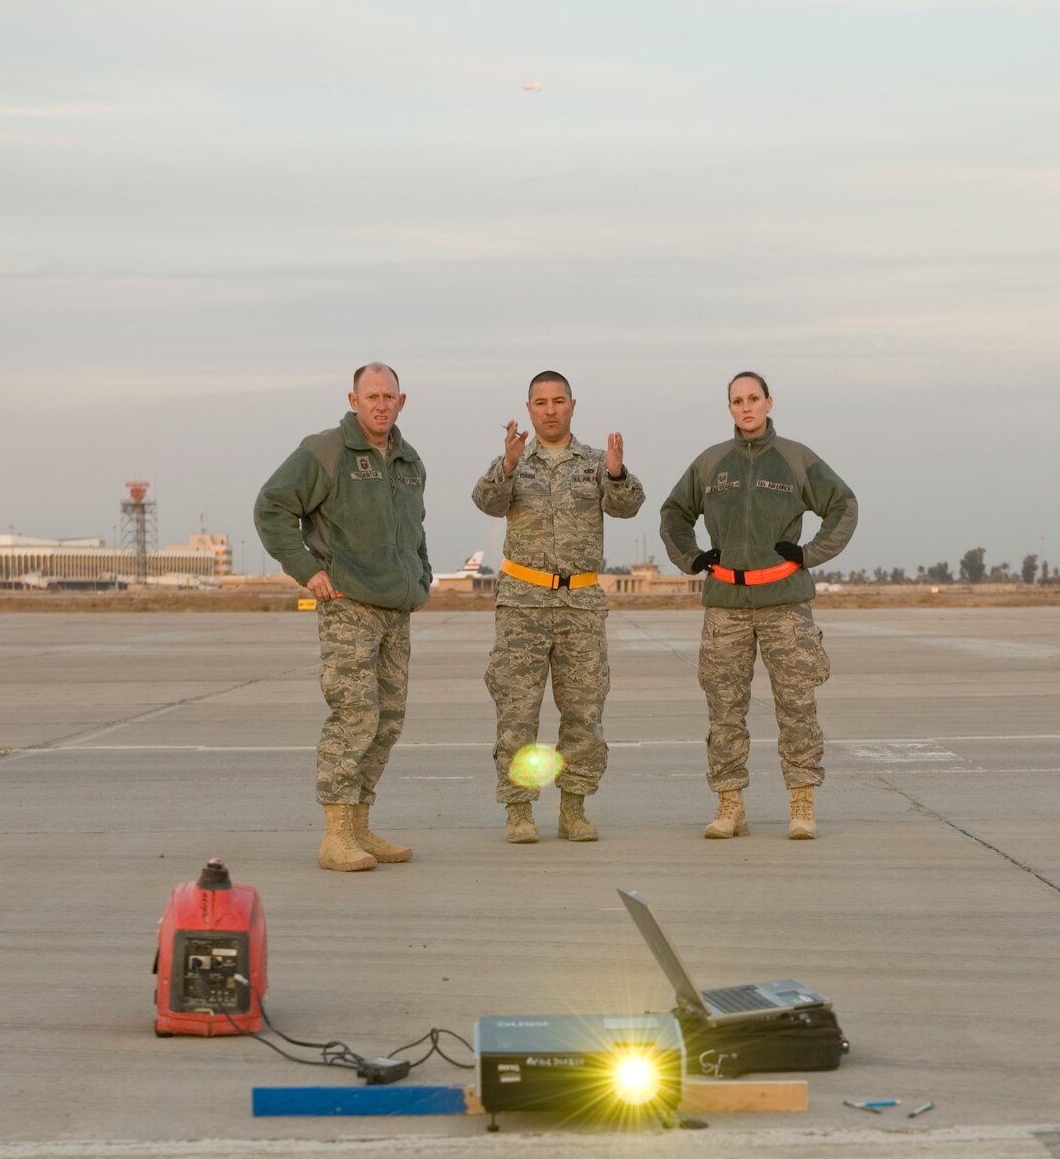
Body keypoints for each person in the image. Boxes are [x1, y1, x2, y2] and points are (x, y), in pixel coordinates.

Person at [660, 371, 857, 840]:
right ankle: (730, 807)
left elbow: (843, 505)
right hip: (726, 603)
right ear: (729, 408)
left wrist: (811, 553)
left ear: (769, 402)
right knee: (724, 708)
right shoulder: (711, 464)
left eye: (753, 398)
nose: (746, 407)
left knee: (796, 705)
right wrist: (692, 557)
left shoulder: (795, 458)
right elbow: (673, 515)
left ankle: (802, 803)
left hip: (784, 603)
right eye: (736, 401)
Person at [253, 363, 429, 871]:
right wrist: (307, 569)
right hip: (348, 606)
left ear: (401, 402)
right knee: (355, 717)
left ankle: (360, 826)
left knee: (388, 722)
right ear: (352, 400)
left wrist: (422, 579)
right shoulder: (325, 451)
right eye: (370, 395)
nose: (380, 404)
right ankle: (335, 837)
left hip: (397, 610)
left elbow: (414, 528)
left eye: (388, 396)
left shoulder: (407, 459)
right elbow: (272, 507)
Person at [471, 370, 644, 843]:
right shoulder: (513, 463)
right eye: (541, 402)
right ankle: (521, 810)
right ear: (529, 409)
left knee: (584, 712)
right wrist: (506, 466)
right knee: (518, 714)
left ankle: (574, 807)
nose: (550, 409)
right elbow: (485, 501)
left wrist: (615, 472)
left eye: (558, 401)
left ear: (572, 405)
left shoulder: (593, 462)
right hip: (522, 607)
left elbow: (628, 506)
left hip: (580, 607)